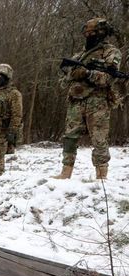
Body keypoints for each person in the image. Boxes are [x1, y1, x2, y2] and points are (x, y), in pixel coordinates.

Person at [52, 17, 122, 180]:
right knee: (69, 137)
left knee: (99, 138)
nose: (89, 35)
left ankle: (101, 175)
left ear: (102, 33)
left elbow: (109, 78)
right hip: (76, 101)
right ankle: (66, 172)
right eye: (87, 32)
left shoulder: (111, 52)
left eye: (92, 33)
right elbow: (63, 81)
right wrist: (72, 74)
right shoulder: (79, 55)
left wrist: (88, 73)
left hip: (97, 101)